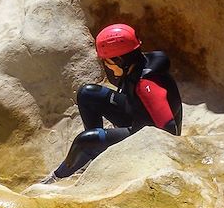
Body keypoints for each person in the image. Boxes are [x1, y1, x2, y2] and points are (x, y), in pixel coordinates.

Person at [41, 24, 183, 183]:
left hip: (146, 136)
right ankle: (96, 156)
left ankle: (56, 178)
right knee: (87, 94)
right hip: (138, 115)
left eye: (108, 61)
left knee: (85, 140)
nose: (106, 66)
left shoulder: (145, 84)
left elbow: (168, 129)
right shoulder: (139, 63)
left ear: (120, 60)